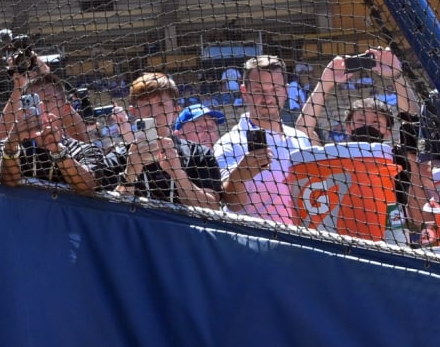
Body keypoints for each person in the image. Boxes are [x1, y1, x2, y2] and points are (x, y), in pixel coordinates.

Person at [215, 55, 314, 225]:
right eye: (260, 91)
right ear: (245, 93)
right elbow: (232, 203)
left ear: (285, 91)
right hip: (255, 245)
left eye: (275, 90)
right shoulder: (228, 144)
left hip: (303, 242)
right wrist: (238, 176)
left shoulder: (301, 140)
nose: (268, 99)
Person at [111, 73, 221, 209]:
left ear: (175, 111)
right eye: (146, 105)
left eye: (161, 104)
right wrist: (131, 173)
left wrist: (178, 174)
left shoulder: (199, 154)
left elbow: (212, 208)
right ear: (134, 112)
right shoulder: (118, 157)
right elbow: (108, 212)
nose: (153, 112)